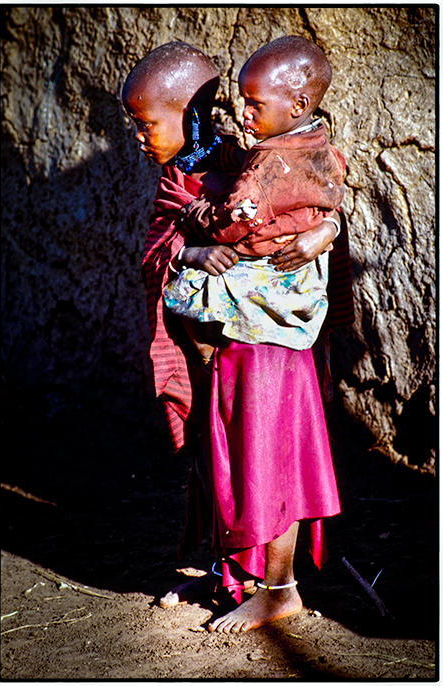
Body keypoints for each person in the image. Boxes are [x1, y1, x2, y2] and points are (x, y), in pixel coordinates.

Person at [122, 39, 353, 634]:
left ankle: (279, 587)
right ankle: (234, 575)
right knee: (222, 458)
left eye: (147, 125)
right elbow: (158, 250)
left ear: (191, 115)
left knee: (267, 456)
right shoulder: (181, 178)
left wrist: (326, 228)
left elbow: (311, 201)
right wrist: (194, 249)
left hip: (267, 344)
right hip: (217, 350)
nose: (141, 139)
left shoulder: (250, 161)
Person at [163, 36, 346, 361]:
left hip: (263, 271)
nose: (244, 114)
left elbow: (230, 221)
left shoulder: (267, 168)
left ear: (298, 106)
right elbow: (334, 191)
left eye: (255, 104)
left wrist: (194, 213)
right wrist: (327, 224)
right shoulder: (321, 147)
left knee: (182, 293)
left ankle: (206, 353)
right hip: (307, 281)